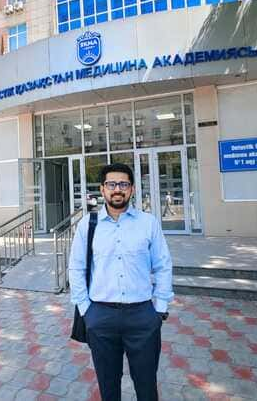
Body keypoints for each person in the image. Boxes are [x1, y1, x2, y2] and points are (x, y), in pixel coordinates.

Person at [69, 163, 174, 401]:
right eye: (112, 184)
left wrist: (160, 308)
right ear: (102, 189)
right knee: (108, 386)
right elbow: (76, 267)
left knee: (147, 385)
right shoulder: (88, 224)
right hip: (101, 317)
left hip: (142, 317)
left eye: (124, 184)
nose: (118, 189)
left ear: (132, 189)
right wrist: (86, 310)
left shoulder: (148, 223)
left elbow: (163, 265)